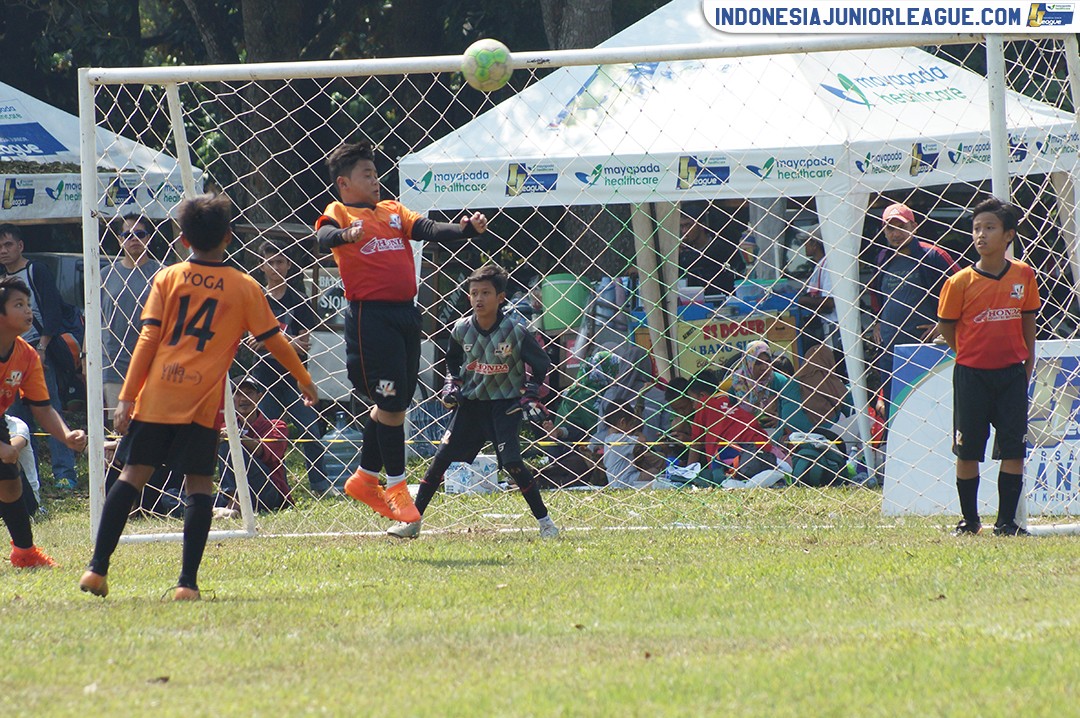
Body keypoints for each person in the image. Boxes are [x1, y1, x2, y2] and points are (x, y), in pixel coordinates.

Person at [79, 193, 318, 600]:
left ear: (183, 241)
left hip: (157, 396)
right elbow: (274, 339)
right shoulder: (244, 287)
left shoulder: (167, 277)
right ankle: (187, 584)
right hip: (201, 404)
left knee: (132, 476)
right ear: (229, 237)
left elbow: (149, 337)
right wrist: (303, 377)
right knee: (199, 487)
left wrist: (127, 397)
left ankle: (96, 570)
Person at [314, 141, 487, 523]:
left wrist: (463, 229)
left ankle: (363, 479)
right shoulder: (338, 213)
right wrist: (345, 236)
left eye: (376, 174)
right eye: (366, 175)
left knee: (394, 405)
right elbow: (323, 237)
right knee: (391, 406)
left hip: (407, 316)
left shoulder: (392, 210)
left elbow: (424, 227)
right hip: (370, 320)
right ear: (344, 183)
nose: (375, 180)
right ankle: (396, 487)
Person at [386, 264, 558, 539]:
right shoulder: (461, 329)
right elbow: (452, 364)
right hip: (472, 406)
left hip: (505, 406)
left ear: (501, 297)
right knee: (440, 460)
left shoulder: (516, 332)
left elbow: (542, 365)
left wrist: (530, 395)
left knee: (513, 464)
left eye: (486, 293)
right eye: (474, 293)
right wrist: (451, 384)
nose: (479, 298)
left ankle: (546, 523)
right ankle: (412, 522)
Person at [936, 197, 1039, 537]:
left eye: (990, 228)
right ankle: (970, 521)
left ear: (1008, 235)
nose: (981, 235)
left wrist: (1028, 359)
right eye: (977, 228)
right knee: (967, 451)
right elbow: (948, 328)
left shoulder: (1024, 275)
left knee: (1013, 449)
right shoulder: (959, 282)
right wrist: (968, 352)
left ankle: (1007, 523)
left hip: (1010, 374)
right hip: (971, 375)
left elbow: (1027, 321)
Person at [0, 276, 87, 567]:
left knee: (11, 484)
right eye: (18, 304)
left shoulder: (26, 354)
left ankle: (25, 553)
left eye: (28, 304)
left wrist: (66, 435)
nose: (28, 311)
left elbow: (42, 406)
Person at [247, 241, 329, 495]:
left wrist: (270, 339)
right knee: (264, 432)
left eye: (280, 262)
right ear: (261, 265)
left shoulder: (300, 301)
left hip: (294, 377)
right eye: (270, 262)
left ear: (289, 265)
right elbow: (250, 343)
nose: (275, 267)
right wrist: (285, 341)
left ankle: (319, 485)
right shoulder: (255, 299)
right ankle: (269, 485)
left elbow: (303, 346)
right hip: (263, 378)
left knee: (310, 430)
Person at [0, 224, 78, 490]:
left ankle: (65, 474)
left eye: (8, 244)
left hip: (37, 351)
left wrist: (43, 348)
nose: (3, 251)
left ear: (20, 246)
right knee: (16, 420)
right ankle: (24, 478)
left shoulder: (36, 270)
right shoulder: (2, 283)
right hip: (11, 355)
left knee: (49, 406)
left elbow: (53, 310)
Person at [869, 203, 956, 418]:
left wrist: (942, 324)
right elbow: (875, 293)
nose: (895, 234)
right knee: (894, 411)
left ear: (914, 227)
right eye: (889, 228)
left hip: (926, 348)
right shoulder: (883, 259)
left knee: (931, 408)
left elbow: (962, 289)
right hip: (890, 349)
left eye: (901, 226)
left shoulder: (933, 256)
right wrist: (877, 321)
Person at [102, 214, 163, 427]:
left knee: (150, 423)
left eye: (140, 234)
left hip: (153, 362)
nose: (134, 239)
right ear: (119, 240)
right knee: (119, 425)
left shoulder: (162, 274)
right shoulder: (105, 274)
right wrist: (85, 356)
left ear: (149, 238)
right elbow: (97, 318)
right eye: (127, 235)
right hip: (113, 363)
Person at [216, 378, 292, 514]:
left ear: (259, 397)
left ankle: (235, 504)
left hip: (266, 492)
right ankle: (225, 504)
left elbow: (265, 453)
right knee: (172, 498)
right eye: (238, 394)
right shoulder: (223, 427)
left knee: (229, 443)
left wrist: (236, 436)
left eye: (249, 393)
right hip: (232, 489)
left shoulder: (276, 426)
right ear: (231, 398)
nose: (244, 398)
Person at [729, 340, 812, 447]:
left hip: (777, 437)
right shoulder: (737, 385)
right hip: (746, 438)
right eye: (758, 363)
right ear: (748, 362)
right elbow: (730, 415)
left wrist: (780, 417)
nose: (764, 367)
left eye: (768, 362)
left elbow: (793, 411)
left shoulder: (780, 382)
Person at [795, 231, 840, 352]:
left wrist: (800, 300)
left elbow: (830, 302)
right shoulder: (819, 265)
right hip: (825, 324)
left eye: (807, 242)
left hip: (833, 324)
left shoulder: (828, 265)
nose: (804, 246)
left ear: (815, 245)